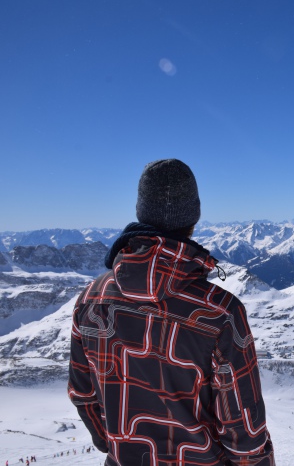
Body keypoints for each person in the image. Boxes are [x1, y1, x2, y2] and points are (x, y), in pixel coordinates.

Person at [68, 159, 274, 465]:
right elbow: (243, 432)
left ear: (141, 211)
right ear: (193, 217)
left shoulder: (91, 298)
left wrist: (115, 444)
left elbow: (83, 394)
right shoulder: (221, 313)